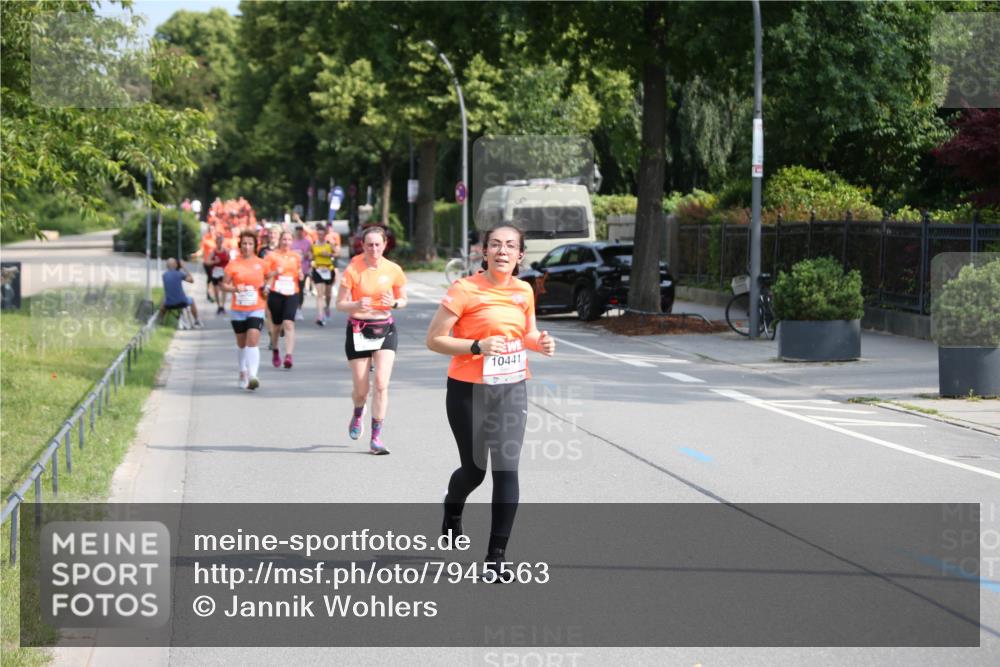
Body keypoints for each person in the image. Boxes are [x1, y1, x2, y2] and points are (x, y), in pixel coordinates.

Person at [425, 223, 555, 575]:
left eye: (510, 246)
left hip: (512, 389)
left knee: (506, 469)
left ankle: (496, 558)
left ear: (520, 254)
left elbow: (525, 333)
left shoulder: (524, 291)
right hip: (468, 389)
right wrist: (476, 346)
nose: (502, 251)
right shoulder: (465, 289)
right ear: (484, 252)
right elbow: (434, 339)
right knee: (474, 470)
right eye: (495, 245)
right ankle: (453, 508)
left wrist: (538, 343)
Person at [335, 225, 407, 455]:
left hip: (384, 328)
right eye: (369, 245)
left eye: (378, 244)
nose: (374, 249)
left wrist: (394, 302)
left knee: (382, 385)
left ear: (385, 245)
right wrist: (355, 305)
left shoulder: (393, 269)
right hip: (358, 329)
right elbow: (339, 304)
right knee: (361, 389)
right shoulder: (353, 269)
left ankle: (376, 438)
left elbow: (403, 298)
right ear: (362, 246)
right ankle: (358, 412)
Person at [222, 230, 268, 391]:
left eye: (250, 244)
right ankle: (243, 372)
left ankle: (253, 376)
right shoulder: (233, 264)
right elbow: (224, 285)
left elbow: (268, 282)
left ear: (255, 246)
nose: (247, 247)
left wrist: (266, 289)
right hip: (238, 309)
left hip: (257, 307)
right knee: (241, 343)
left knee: (253, 340)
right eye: (244, 244)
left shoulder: (262, 263)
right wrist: (235, 288)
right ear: (240, 245)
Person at [264, 231, 303, 369]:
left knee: (288, 323)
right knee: (276, 326)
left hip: (292, 292)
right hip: (276, 292)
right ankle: (275, 350)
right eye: (284, 239)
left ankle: (288, 355)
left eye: (289, 239)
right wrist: (275, 272)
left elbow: (299, 272)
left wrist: (301, 274)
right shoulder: (272, 256)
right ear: (280, 240)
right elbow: (265, 274)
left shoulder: (296, 256)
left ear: (292, 241)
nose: (286, 242)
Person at [159, 258, 202, 327]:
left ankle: (160, 322)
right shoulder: (179, 274)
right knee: (192, 300)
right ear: (176, 265)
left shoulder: (164, 275)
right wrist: (184, 267)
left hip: (168, 304)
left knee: (163, 303)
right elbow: (191, 280)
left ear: (167, 266)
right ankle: (196, 320)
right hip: (182, 302)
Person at [311, 223, 337, 325]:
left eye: (322, 234)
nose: (320, 236)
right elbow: (309, 255)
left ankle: (327, 307)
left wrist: (329, 254)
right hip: (317, 269)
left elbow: (337, 253)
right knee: (320, 294)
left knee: (328, 294)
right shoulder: (313, 244)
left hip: (328, 269)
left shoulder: (329, 244)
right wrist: (311, 255)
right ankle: (320, 316)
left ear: (325, 235)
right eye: (319, 234)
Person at [291, 224, 313, 321]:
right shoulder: (291, 242)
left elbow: (311, 254)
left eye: (301, 232)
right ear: (295, 232)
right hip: (291, 270)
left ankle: (299, 309)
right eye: (297, 231)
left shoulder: (307, 242)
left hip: (303, 269)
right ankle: (292, 309)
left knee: (300, 290)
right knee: (292, 291)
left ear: (303, 233)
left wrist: (307, 254)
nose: (299, 233)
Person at [207, 232, 230, 314]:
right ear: (216, 242)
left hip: (224, 272)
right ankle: (218, 306)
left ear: (222, 241)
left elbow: (230, 261)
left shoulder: (226, 251)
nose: (219, 242)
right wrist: (214, 262)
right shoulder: (213, 251)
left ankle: (222, 306)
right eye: (218, 240)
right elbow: (207, 262)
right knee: (216, 290)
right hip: (216, 272)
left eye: (221, 240)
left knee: (224, 289)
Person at [200, 233, 216, 302]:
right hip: (207, 262)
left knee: (213, 279)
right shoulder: (205, 240)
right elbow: (201, 250)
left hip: (215, 263)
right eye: (211, 230)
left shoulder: (216, 240)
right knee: (211, 278)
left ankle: (211, 294)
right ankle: (210, 294)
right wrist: (195, 254)